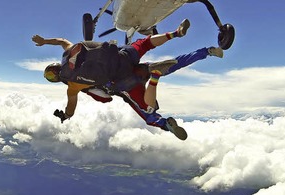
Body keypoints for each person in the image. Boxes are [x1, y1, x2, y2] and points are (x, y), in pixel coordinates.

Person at [32, 19, 190, 128]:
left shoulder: (72, 86)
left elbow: (71, 107)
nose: (53, 76)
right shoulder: (68, 52)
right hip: (121, 54)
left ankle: (155, 87)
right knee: (144, 43)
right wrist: (44, 41)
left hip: (120, 79)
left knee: (143, 106)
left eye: (51, 76)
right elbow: (61, 40)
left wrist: (66, 116)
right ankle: (175, 33)